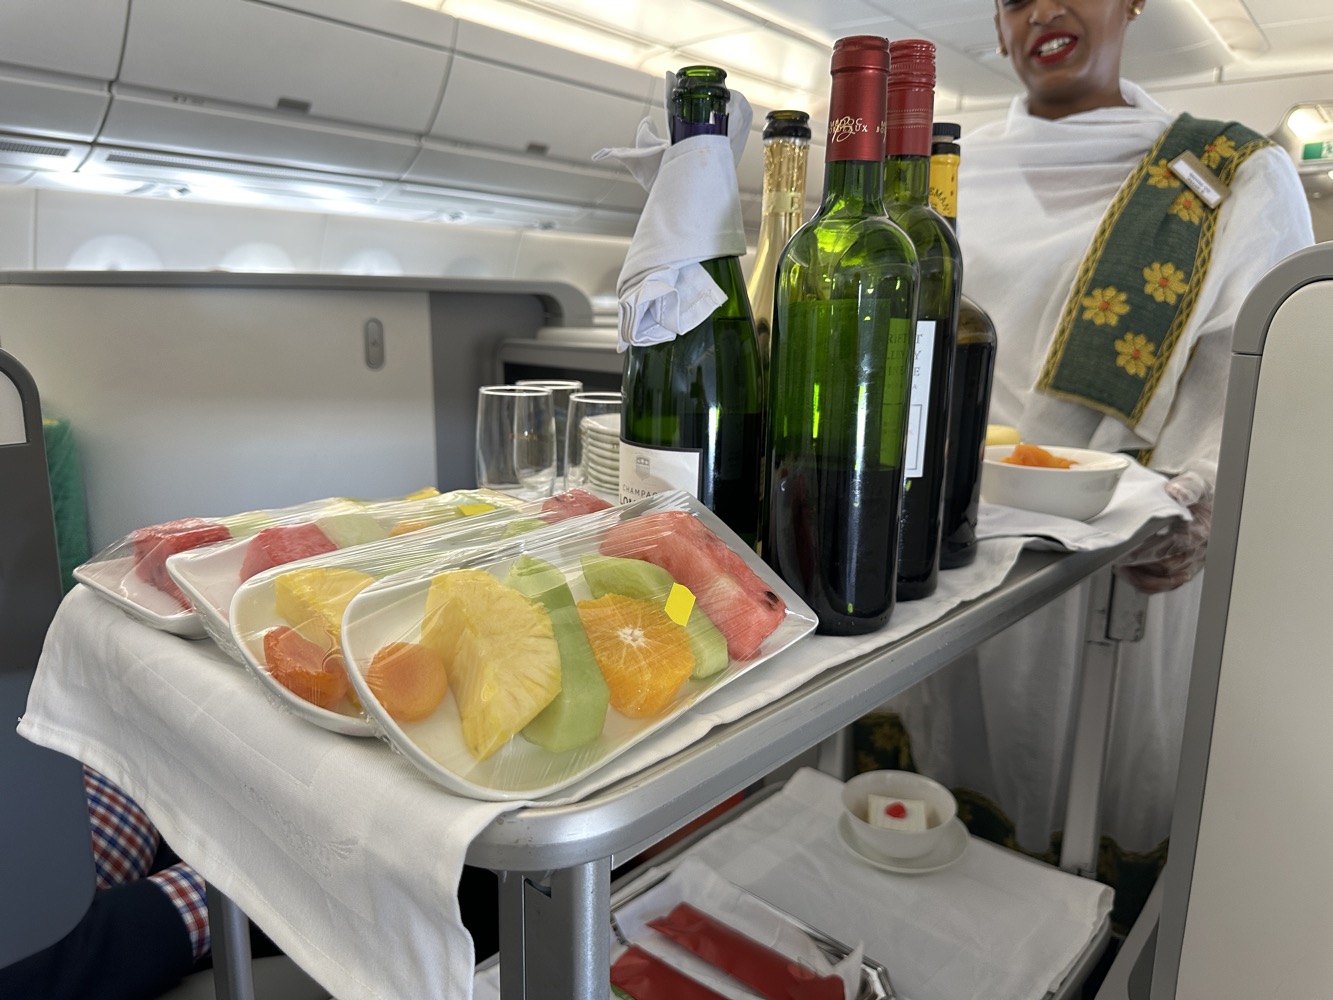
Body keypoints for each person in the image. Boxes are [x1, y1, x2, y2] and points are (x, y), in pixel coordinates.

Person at [861, 0, 1315, 926]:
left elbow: (1250, 383)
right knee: (932, 830)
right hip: (946, 569)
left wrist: (1198, 513)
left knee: (1089, 834)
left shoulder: (1232, 176)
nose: (1045, 11)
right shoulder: (940, 175)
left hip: (1120, 579)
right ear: (996, 28)